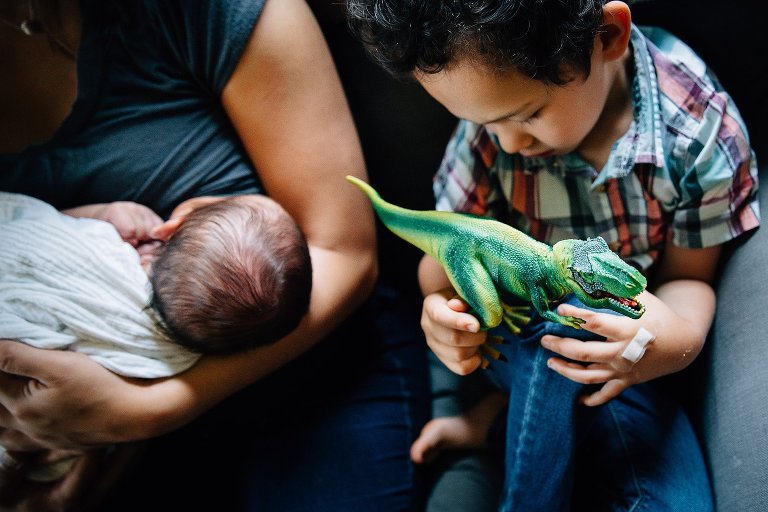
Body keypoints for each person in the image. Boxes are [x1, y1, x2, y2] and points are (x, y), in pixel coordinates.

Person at [0, 0, 429, 511]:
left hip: (317, 373)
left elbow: (343, 251)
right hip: (87, 436)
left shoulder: (210, 12)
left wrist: (144, 409)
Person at [347, 0, 759, 511]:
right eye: (482, 122)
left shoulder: (698, 132)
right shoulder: (487, 134)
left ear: (607, 36)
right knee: (559, 325)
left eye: (527, 115)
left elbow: (689, 278)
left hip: (624, 361)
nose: (509, 143)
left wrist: (672, 341)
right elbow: (444, 261)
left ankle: (501, 422)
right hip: (511, 334)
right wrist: (441, 312)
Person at [1, 191, 312, 482]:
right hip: (42, 439)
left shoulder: (105, 248)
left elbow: (40, 231)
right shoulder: (178, 364)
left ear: (169, 230)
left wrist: (101, 214)